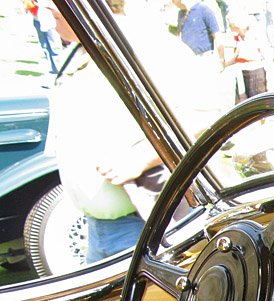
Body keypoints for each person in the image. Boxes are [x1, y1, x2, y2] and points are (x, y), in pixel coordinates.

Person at [40, 0, 221, 265]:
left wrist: (143, 157)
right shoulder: (79, 51)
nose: (45, 7)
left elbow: (207, 113)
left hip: (145, 227)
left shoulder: (144, 43)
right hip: (98, 231)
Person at [221, 15, 267, 101]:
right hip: (242, 73)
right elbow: (237, 57)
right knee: (242, 104)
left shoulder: (254, 37)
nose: (230, 28)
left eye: (230, 25)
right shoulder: (238, 38)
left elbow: (265, 56)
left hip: (255, 73)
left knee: (256, 103)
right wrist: (224, 65)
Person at [25, 0, 62, 74]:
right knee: (44, 45)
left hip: (49, 19)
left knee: (54, 46)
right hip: (38, 19)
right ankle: (52, 67)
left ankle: (59, 69)